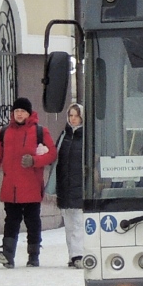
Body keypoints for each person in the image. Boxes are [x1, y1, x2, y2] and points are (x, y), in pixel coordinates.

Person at [0, 96, 57, 268]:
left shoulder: (40, 131)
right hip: (11, 187)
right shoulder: (5, 132)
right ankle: (8, 255)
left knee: (32, 221)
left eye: (22, 111)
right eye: (16, 111)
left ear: (29, 113)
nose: (19, 114)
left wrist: (34, 161)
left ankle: (33, 256)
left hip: (31, 186)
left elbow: (52, 154)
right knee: (11, 221)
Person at [55, 103, 86, 268]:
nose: (73, 119)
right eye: (71, 115)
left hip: (80, 185)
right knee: (68, 223)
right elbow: (55, 156)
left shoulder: (86, 136)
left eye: (76, 115)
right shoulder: (63, 136)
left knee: (79, 222)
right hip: (65, 185)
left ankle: (79, 254)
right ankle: (72, 255)